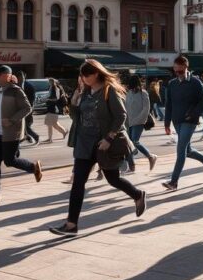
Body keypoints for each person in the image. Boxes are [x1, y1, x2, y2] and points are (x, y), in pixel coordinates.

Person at [48, 60, 147, 236]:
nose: (84, 79)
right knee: (78, 183)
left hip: (103, 144)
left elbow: (121, 116)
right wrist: (74, 102)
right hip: (84, 143)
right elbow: (76, 117)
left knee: (113, 179)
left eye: (87, 75)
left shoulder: (109, 91)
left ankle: (138, 194)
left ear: (96, 74)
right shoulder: (84, 92)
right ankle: (71, 225)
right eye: (82, 76)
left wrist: (109, 138)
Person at [0, 65, 42, 203]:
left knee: (9, 161)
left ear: (6, 76)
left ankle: (33, 167)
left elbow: (27, 108)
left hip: (11, 133)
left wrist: (12, 120)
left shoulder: (16, 91)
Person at [162, 56, 203, 190]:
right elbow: (169, 105)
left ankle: (173, 182)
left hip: (190, 121)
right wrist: (167, 123)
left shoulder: (196, 82)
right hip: (176, 120)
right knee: (188, 150)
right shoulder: (172, 84)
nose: (178, 74)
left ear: (186, 68)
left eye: (180, 71)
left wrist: (194, 114)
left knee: (181, 151)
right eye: (175, 71)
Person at [123, 75, 157, 172]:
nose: (133, 89)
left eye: (135, 87)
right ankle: (131, 165)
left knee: (134, 141)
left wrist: (138, 119)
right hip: (128, 122)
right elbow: (126, 107)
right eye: (131, 87)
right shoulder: (128, 93)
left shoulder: (144, 93)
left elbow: (146, 108)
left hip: (139, 121)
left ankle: (150, 156)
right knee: (128, 144)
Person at [17, 71, 40, 147]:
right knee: (22, 126)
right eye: (19, 77)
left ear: (24, 77)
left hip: (28, 109)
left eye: (22, 77)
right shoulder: (16, 85)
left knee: (25, 125)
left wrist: (30, 109)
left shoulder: (29, 86)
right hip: (19, 110)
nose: (21, 78)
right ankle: (26, 138)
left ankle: (34, 136)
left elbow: (32, 98)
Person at [43, 78, 69, 143]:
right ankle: (64, 132)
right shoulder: (51, 88)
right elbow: (50, 96)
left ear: (53, 82)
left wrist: (48, 100)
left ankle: (50, 138)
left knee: (50, 124)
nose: (49, 83)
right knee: (54, 124)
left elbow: (56, 98)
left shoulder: (56, 88)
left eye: (49, 82)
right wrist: (46, 98)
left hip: (54, 108)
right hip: (51, 108)